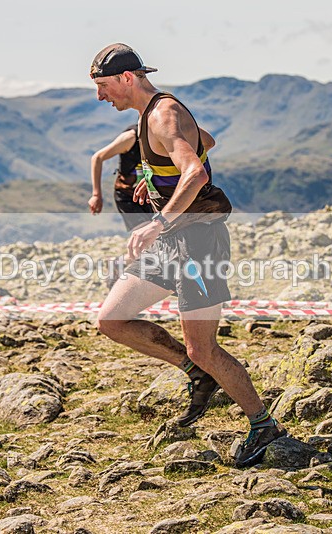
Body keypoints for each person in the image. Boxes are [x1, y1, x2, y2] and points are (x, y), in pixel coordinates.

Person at [90, 43, 286, 468]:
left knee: (204, 349)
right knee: (111, 320)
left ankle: (263, 424)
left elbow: (195, 171)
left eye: (103, 86)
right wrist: (157, 181)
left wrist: (159, 219)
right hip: (171, 241)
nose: (100, 96)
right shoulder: (149, 115)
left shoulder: (162, 114)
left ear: (127, 78)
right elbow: (204, 142)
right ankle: (197, 375)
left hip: (198, 242)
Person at [89, 124, 154, 231]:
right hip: (127, 196)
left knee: (157, 234)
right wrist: (96, 195)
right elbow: (97, 158)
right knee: (146, 232)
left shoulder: (164, 135)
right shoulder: (130, 138)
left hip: (150, 195)